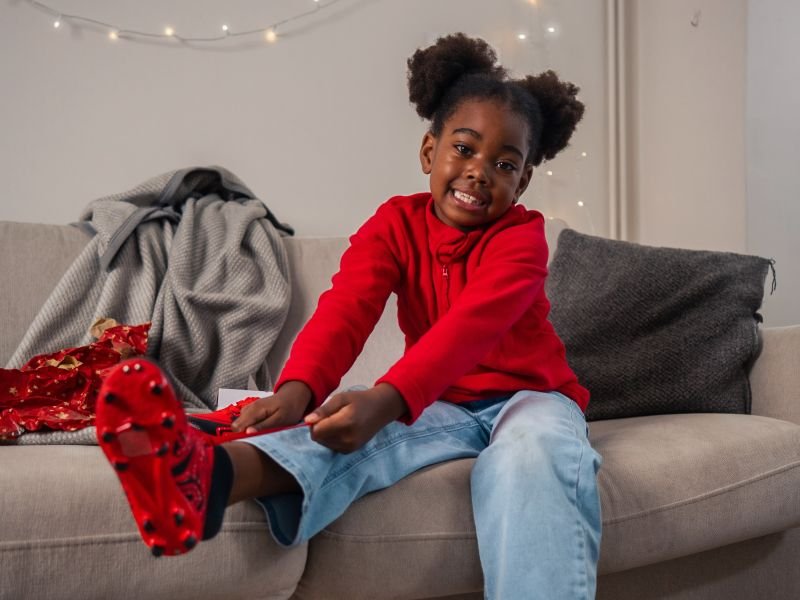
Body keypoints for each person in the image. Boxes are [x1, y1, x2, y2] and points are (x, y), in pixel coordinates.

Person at [96, 33, 603, 599]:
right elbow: (347, 308)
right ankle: (205, 483)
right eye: (464, 148)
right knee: (341, 424)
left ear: (523, 181)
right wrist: (296, 392)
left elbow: (469, 331)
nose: (480, 171)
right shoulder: (393, 224)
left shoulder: (523, 239)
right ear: (429, 151)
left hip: (532, 399)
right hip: (442, 402)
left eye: (504, 163)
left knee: (533, 454)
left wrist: (388, 398)